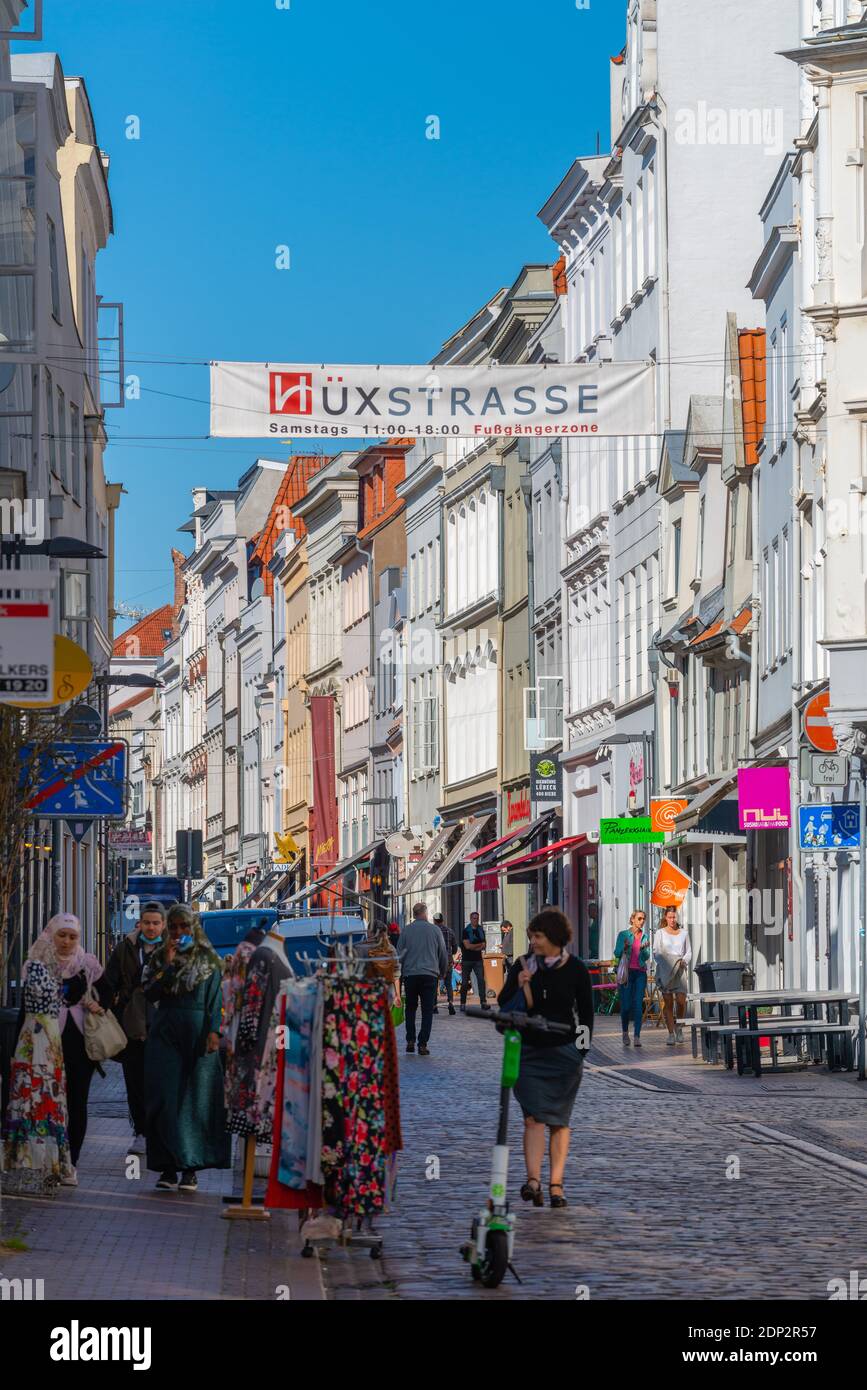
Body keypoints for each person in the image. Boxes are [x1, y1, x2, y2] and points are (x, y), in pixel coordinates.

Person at [498, 907, 593, 1210]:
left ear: (553, 937)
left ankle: (556, 1184)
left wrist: (580, 1052)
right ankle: (534, 1180)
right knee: (533, 1118)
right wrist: (520, 981)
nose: (533, 942)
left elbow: (587, 1015)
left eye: (537, 936)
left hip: (564, 1055)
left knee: (560, 1121)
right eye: (532, 937)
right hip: (529, 1052)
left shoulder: (576, 969)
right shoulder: (523, 964)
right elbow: (503, 1003)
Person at [142, 904, 231, 1191]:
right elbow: (151, 992)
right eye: (174, 927)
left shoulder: (208, 960)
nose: (179, 932)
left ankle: (190, 1169)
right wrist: (168, 964)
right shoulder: (158, 958)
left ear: (193, 927)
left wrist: (215, 1031)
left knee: (196, 1102)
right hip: (166, 1033)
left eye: (184, 926)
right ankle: (167, 1167)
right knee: (165, 1098)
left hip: (198, 1035)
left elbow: (215, 999)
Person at [2, 919, 87, 1191]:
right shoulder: (36, 965)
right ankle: (25, 1162)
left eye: (72, 936)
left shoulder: (83, 965)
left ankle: (56, 1163)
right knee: (29, 1096)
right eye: (61, 935)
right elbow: (30, 1006)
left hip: (52, 1040)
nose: (66, 941)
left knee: (52, 1099)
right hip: (35, 1036)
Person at [104, 901, 166, 1154]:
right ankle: (140, 1132)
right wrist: (106, 1008)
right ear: (139, 923)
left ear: (162, 925)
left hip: (162, 1024)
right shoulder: (125, 949)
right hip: (132, 1024)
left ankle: (158, 1132)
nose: (151, 928)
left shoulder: (172, 949)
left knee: (160, 1081)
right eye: (147, 923)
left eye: (156, 923)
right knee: (135, 1082)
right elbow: (109, 981)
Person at [396, 902, 448, 1056]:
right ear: (425, 913)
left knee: (410, 1008)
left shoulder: (406, 931)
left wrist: (400, 974)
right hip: (429, 975)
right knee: (427, 1011)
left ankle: (410, 1040)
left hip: (410, 975)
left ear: (413, 915)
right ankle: (423, 1044)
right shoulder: (435, 930)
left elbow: (399, 955)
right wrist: (442, 971)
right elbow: (443, 953)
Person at [653, 906, 692, 1045]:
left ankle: (679, 1028)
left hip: (680, 969)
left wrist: (684, 961)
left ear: (677, 917)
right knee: (668, 1002)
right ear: (665, 917)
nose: (672, 920)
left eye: (674, 917)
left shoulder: (684, 933)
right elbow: (656, 952)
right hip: (665, 969)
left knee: (681, 1001)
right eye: (669, 917)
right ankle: (670, 1033)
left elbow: (689, 952)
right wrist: (665, 962)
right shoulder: (660, 933)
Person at [613, 910, 650, 1048]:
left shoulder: (644, 936)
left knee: (638, 1005)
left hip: (640, 973)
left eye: (643, 919)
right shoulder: (623, 935)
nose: (642, 921)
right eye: (639, 918)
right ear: (632, 919)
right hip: (626, 974)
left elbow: (646, 957)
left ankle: (637, 1036)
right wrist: (625, 947)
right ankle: (624, 1032)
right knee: (626, 1006)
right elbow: (616, 953)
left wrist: (644, 949)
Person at [460, 910, 489, 1012]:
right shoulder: (466, 931)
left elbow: (484, 945)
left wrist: (474, 947)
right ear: (470, 919)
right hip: (467, 960)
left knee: (481, 980)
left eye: (477, 918)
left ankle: (483, 1002)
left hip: (478, 960)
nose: (476, 920)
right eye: (474, 918)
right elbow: (467, 946)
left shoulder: (481, 930)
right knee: (464, 983)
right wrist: (478, 946)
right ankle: (462, 1003)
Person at [432, 912, 457, 1015]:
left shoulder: (432, 932)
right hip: (447, 961)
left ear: (434, 921)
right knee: (448, 984)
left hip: (435, 961)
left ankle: (434, 1006)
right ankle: (450, 1003)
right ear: (443, 920)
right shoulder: (450, 931)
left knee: (434, 984)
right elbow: (455, 948)